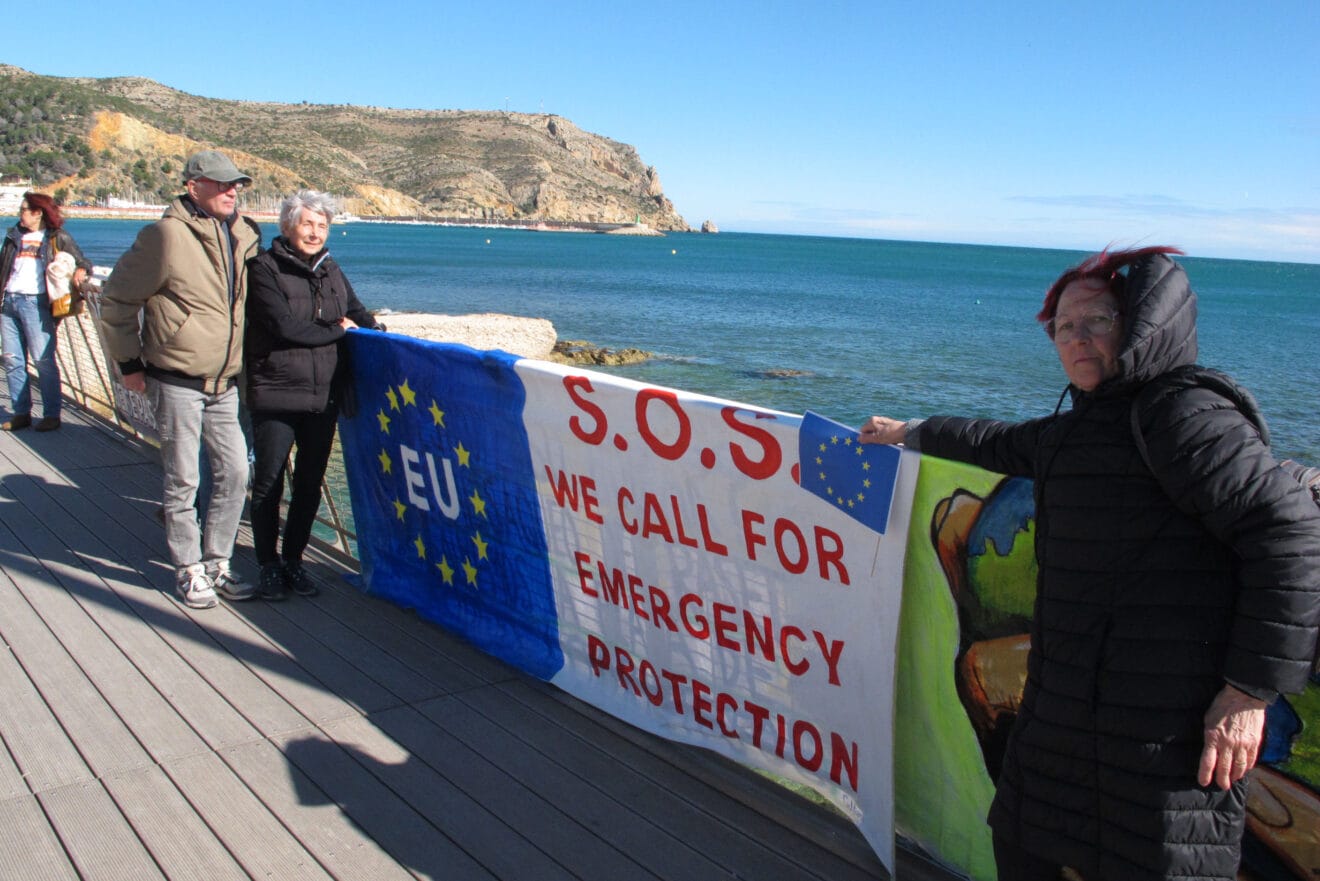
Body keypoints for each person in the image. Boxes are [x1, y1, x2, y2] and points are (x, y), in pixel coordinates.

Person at [859, 246, 1320, 881]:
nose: (1077, 338)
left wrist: (1248, 692)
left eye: (1097, 320)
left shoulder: (1182, 414)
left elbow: (1289, 533)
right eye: (1063, 326)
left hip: (1166, 738)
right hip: (1063, 718)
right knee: (1022, 852)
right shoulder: (1076, 429)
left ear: (1138, 324)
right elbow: (992, 441)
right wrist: (908, 430)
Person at [99, 150, 263, 609]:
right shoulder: (164, 237)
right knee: (183, 477)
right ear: (194, 187)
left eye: (237, 185)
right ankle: (188, 568)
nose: (234, 191)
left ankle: (217, 561)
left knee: (234, 472)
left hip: (226, 383)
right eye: (223, 183)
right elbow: (115, 301)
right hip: (175, 380)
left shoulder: (246, 236)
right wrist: (129, 364)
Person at [244, 190, 382, 600]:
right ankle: (267, 565)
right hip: (275, 392)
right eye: (307, 224)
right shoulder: (263, 269)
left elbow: (356, 312)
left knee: (309, 485)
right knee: (269, 484)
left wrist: (378, 337)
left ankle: (293, 561)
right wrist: (340, 331)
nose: (315, 233)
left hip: (323, 396)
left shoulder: (331, 270)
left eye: (322, 226)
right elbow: (284, 326)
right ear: (288, 225)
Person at [0, 192, 92, 431]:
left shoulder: (56, 237)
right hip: (9, 301)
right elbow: (4, 268)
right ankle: (21, 413)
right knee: (12, 360)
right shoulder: (14, 236)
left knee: (43, 361)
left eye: (23, 210)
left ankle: (51, 414)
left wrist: (81, 271)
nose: (19, 214)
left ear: (37, 213)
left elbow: (83, 261)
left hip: (37, 304)